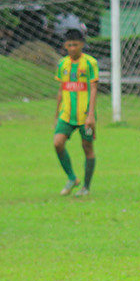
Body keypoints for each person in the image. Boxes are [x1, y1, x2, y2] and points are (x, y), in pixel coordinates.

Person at [53, 29, 98, 197]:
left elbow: (93, 88)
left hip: (85, 114)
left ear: (82, 45)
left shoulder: (90, 63)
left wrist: (91, 115)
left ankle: (85, 187)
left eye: (75, 45)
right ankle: (72, 177)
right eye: (69, 45)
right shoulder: (62, 64)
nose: (72, 48)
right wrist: (56, 115)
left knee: (87, 147)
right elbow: (60, 90)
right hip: (66, 115)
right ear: (65, 45)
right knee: (57, 143)